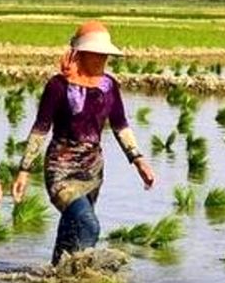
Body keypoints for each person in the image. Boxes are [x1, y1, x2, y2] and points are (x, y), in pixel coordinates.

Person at [11, 21, 155, 264]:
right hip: (61, 169)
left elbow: (120, 125)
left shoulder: (109, 86)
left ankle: (58, 278)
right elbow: (41, 128)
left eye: (105, 54)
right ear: (81, 53)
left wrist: (139, 161)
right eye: (96, 54)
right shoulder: (57, 86)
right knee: (89, 224)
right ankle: (78, 274)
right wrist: (24, 171)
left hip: (92, 170)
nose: (102, 59)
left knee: (73, 225)